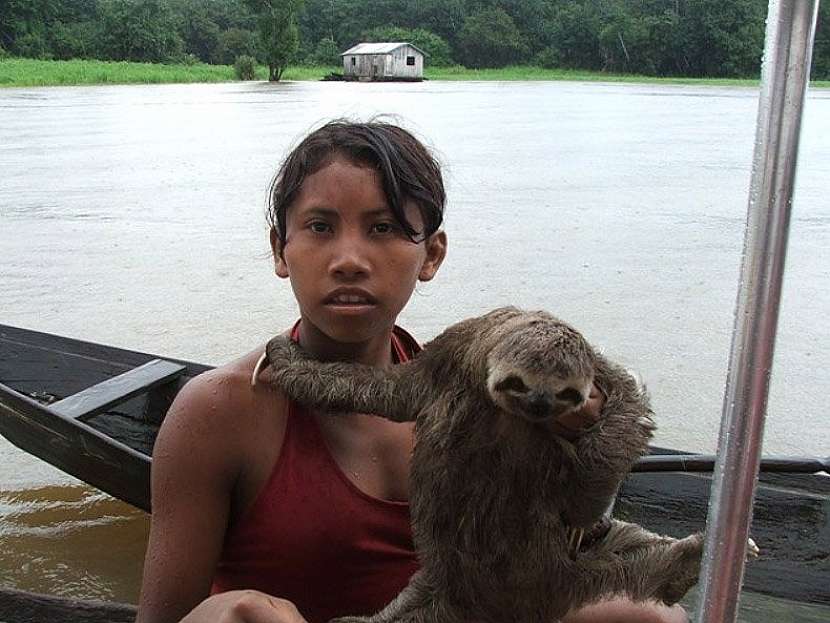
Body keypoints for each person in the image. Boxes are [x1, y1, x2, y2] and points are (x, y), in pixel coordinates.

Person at [136, 120, 688, 623]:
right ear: (282, 250)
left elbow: (557, 536)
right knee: (241, 616)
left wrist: (574, 439)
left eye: (382, 229)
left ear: (432, 256)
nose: (349, 258)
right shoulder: (221, 409)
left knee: (650, 616)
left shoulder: (479, 395)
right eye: (321, 227)